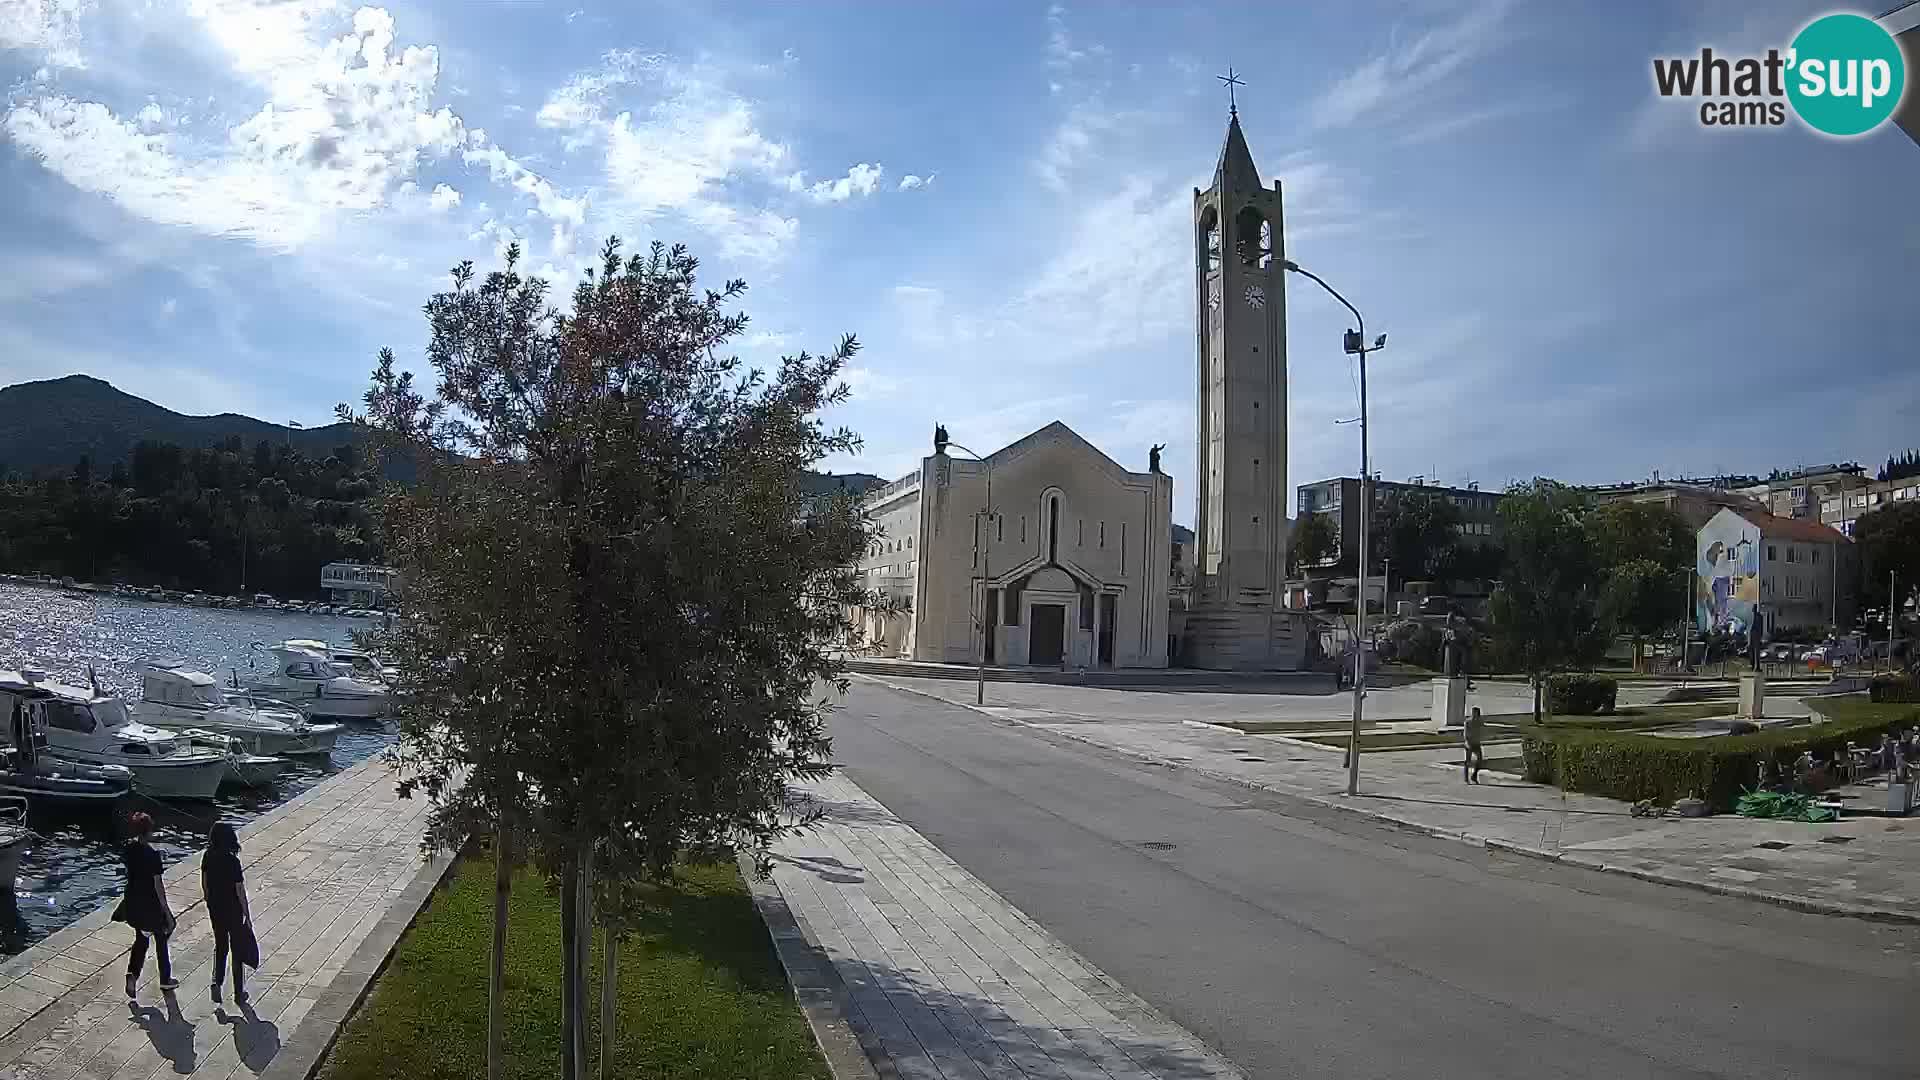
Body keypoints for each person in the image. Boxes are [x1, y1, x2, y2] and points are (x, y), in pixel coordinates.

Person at [112, 812, 176, 997]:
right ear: (149, 831)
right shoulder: (153, 855)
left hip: (133, 902)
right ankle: (165, 980)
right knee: (162, 938)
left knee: (141, 939)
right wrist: (167, 911)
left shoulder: (129, 850)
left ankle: (132, 974)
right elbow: (158, 887)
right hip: (151, 904)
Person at [202, 822, 254, 1004]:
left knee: (221, 945)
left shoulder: (208, 856)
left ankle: (217, 981)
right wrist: (247, 914)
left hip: (216, 907)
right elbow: (239, 890)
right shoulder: (233, 862)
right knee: (237, 949)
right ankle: (239, 994)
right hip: (233, 909)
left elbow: (205, 882)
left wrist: (208, 899)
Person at [1462, 706, 1486, 785]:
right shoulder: (1468, 722)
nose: (1475, 715)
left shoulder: (1479, 721)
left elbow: (1482, 729)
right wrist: (1467, 742)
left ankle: (1474, 775)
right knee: (1467, 761)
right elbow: (1465, 734)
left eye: (1476, 713)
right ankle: (1466, 778)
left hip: (1476, 743)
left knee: (1480, 760)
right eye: (1473, 713)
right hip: (1469, 743)